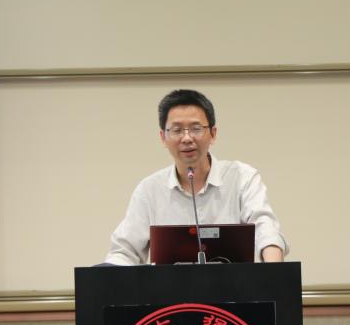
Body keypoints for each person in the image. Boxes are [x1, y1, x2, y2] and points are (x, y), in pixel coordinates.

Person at [104, 88, 287, 265]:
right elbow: (124, 251)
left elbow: (266, 230)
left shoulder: (242, 178)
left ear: (213, 134)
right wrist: (107, 272)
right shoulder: (149, 190)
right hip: (170, 287)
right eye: (177, 130)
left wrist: (274, 271)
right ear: (163, 137)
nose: (187, 138)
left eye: (196, 128)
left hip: (234, 286)